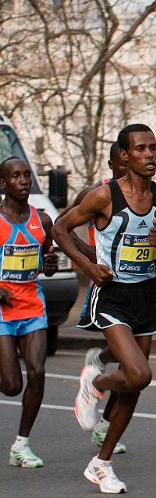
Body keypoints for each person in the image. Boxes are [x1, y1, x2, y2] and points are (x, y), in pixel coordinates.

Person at [52, 124, 156, 494]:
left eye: (154, 147)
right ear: (124, 155)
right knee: (139, 375)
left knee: (133, 388)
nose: (150, 154)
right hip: (112, 296)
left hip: (148, 297)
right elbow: (60, 229)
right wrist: (89, 267)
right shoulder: (102, 196)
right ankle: (95, 381)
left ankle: (101, 464)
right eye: (141, 148)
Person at [58, 141, 128, 455]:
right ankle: (95, 376)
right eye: (123, 165)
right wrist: (87, 255)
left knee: (131, 366)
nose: (131, 170)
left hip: (138, 286)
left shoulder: (148, 194)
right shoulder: (95, 192)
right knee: (130, 362)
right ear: (112, 165)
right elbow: (62, 225)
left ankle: (98, 364)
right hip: (105, 282)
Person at [0, 157, 59, 468]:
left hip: (32, 306)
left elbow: (45, 262)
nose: (23, 180)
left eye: (26, 175)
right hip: (1, 312)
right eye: (15, 176)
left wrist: (49, 265)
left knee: (37, 371)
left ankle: (21, 444)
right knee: (11, 386)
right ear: (3, 184)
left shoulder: (43, 220)